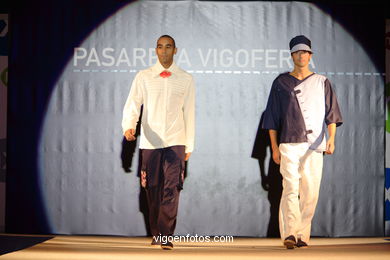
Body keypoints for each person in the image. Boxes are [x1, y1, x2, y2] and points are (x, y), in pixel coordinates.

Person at [262, 35, 342, 249]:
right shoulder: (280, 82)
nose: (302, 55)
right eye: (298, 52)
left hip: (315, 144)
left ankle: (302, 234)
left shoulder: (322, 81)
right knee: (290, 187)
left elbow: (331, 114)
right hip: (288, 143)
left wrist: (332, 139)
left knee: (310, 192)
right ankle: (289, 234)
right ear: (292, 55)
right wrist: (274, 147)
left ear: (310, 55)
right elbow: (272, 118)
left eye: (305, 52)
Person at [122, 35, 195, 250]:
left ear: (175, 50)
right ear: (155, 50)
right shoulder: (144, 76)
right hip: (150, 141)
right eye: (160, 47)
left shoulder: (186, 78)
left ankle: (165, 235)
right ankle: (156, 231)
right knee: (152, 188)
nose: (164, 51)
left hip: (176, 140)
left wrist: (189, 145)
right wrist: (129, 125)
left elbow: (189, 112)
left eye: (168, 47)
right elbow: (133, 103)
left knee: (172, 188)